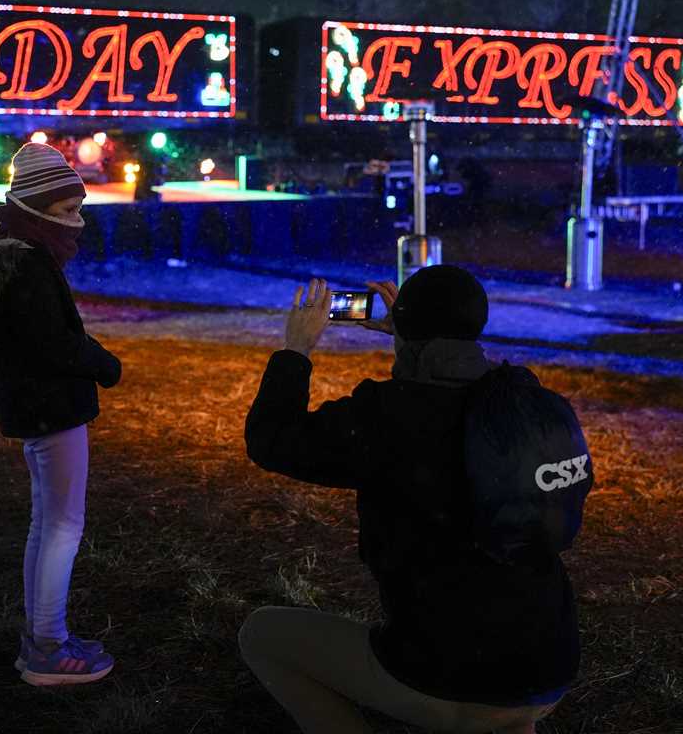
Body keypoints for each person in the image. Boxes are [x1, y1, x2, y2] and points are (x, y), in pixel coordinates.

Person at [239, 266, 578, 734]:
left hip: (452, 676)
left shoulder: (386, 417)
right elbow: (448, 390)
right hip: (550, 669)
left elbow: (272, 440)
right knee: (500, 669)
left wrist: (295, 349)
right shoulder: (524, 399)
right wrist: (410, 340)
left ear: (407, 325)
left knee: (262, 635)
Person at [0, 142, 121, 687]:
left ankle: (44, 635)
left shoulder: (4, 251)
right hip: (50, 407)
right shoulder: (27, 264)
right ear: (38, 207)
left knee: (49, 522)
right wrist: (104, 364)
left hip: (33, 405)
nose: (77, 221)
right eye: (67, 209)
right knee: (63, 525)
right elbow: (53, 343)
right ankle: (49, 647)